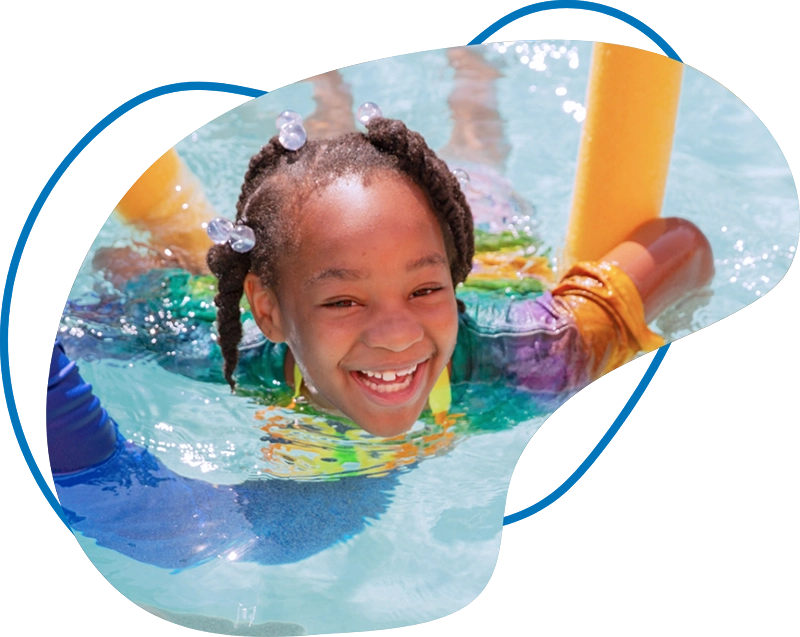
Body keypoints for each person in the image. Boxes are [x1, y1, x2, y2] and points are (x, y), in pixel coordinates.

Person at [47, 47, 713, 568]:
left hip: (504, 273)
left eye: (426, 290)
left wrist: (616, 326)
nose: (396, 334)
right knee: (317, 189)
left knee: (479, 155)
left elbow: (682, 245)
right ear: (268, 312)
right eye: (342, 300)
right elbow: (103, 307)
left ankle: (471, 75)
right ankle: (333, 97)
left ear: (450, 278)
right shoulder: (226, 352)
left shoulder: (528, 360)